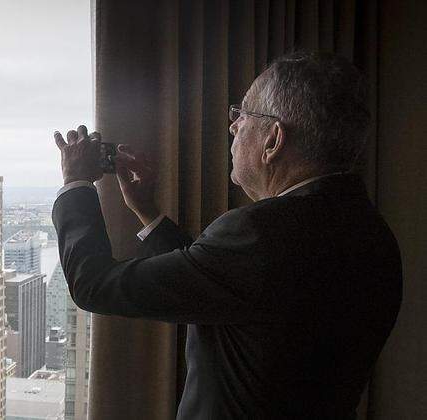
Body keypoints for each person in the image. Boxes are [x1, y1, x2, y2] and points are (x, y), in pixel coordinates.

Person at [51, 52, 402, 419]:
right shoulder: (371, 233)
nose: (233, 126)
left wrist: (76, 182)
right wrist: (146, 210)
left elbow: (93, 284)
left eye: (243, 115)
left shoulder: (259, 235)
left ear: (273, 140)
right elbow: (221, 281)